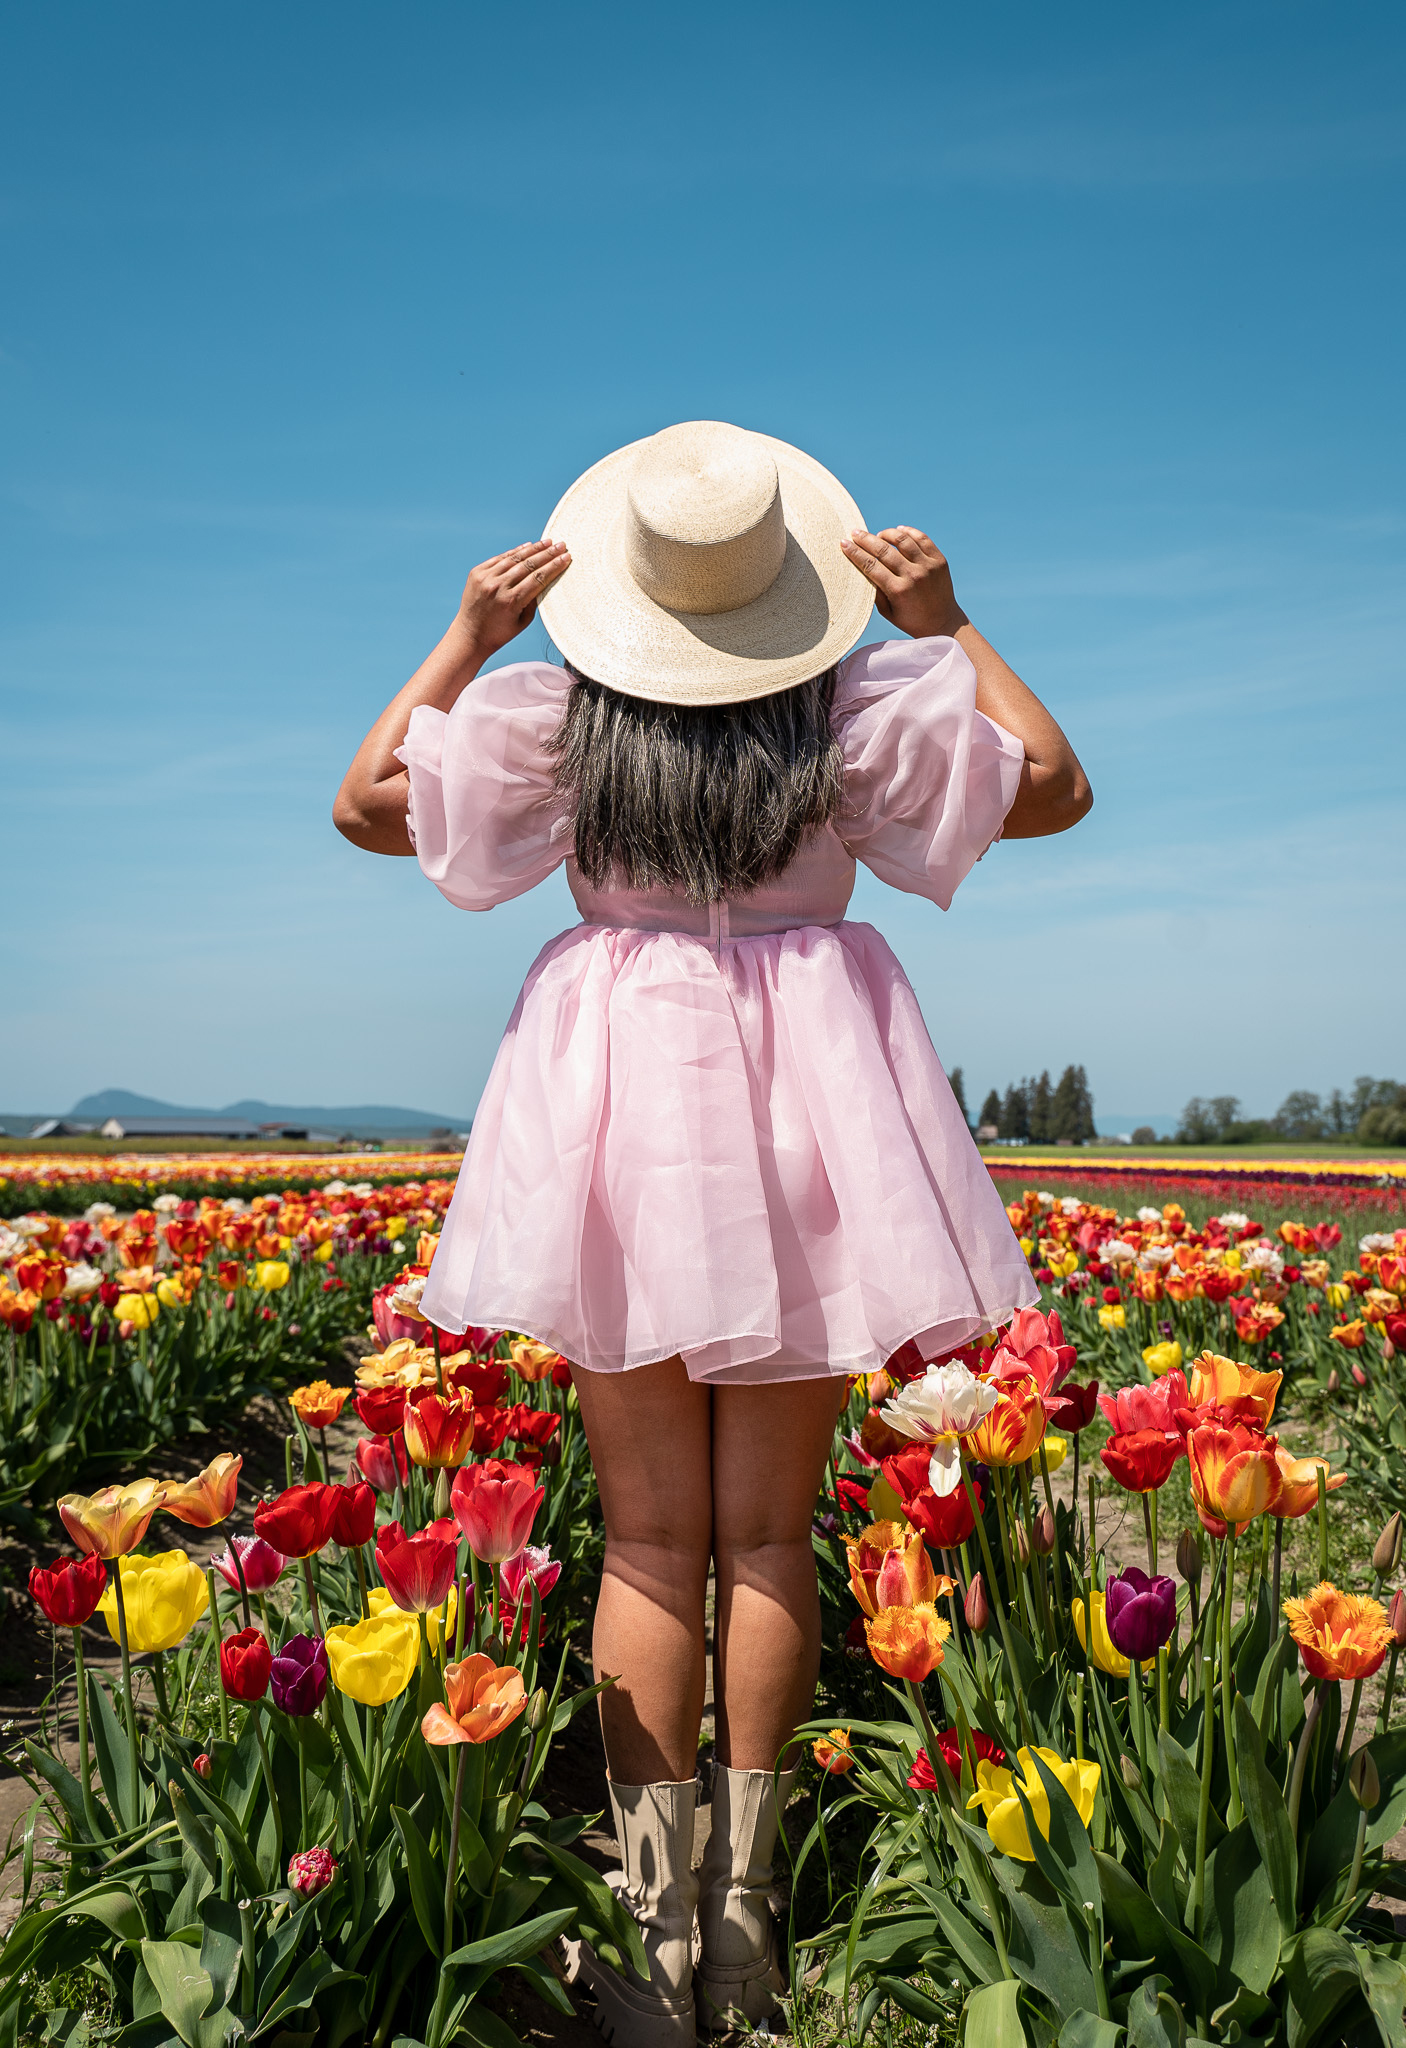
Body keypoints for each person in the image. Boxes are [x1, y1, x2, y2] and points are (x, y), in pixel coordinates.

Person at [335, 421, 1091, 2045]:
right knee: (763, 1539)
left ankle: (647, 1928)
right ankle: (748, 1926)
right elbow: (1056, 788)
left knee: (647, 1542)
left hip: (618, 1103)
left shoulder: (555, 729)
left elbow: (365, 804)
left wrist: (470, 636)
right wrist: (944, 621)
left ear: (620, 599)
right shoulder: (853, 718)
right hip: (818, 1100)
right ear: (784, 594)